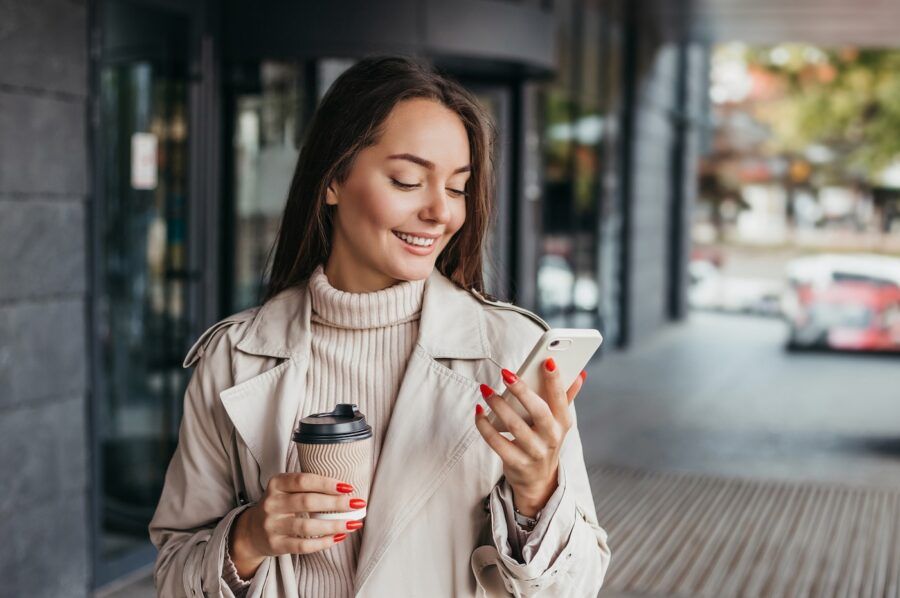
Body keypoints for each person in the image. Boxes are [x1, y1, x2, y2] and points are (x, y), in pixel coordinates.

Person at [149, 55, 610, 597]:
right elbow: (174, 574)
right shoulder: (234, 357)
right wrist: (248, 538)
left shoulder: (510, 353)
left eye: (458, 187)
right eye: (407, 180)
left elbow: (576, 588)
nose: (442, 212)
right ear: (332, 181)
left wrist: (537, 496)